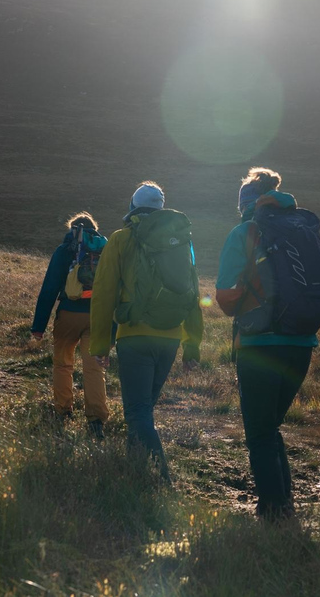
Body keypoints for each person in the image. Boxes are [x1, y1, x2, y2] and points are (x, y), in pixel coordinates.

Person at [216, 167, 320, 522]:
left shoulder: (245, 231)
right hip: (302, 343)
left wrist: (242, 305)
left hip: (260, 344)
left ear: (246, 203)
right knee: (271, 426)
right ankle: (284, 503)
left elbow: (225, 294)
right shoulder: (302, 227)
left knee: (260, 432)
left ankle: (273, 513)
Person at [89, 181, 203, 481]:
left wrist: (101, 343)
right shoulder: (182, 242)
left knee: (138, 412)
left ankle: (161, 478)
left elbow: (103, 293)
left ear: (132, 209)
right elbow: (193, 294)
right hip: (171, 337)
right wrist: (192, 346)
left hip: (134, 336)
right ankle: (135, 475)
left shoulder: (121, 239)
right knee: (143, 411)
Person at [31, 212, 109, 437]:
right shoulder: (104, 251)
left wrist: (39, 326)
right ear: (94, 228)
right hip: (97, 316)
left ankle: (63, 410)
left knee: (63, 364)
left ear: (72, 229)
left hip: (68, 314)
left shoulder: (64, 251)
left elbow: (49, 289)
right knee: (93, 367)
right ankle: (96, 420)